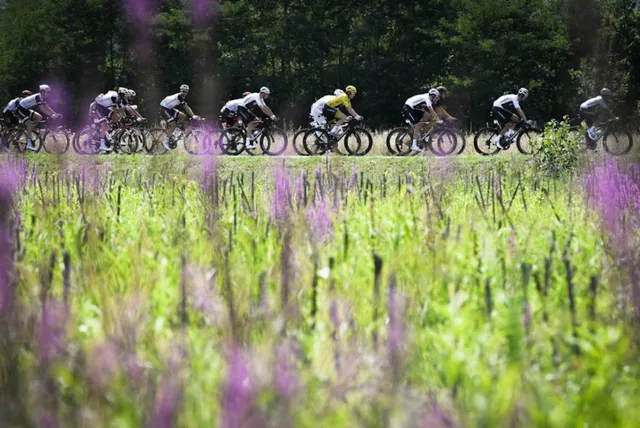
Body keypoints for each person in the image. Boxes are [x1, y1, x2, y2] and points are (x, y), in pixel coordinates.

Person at [17, 85, 61, 151]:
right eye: (48, 92)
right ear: (42, 92)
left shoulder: (43, 98)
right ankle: (29, 143)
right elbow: (42, 108)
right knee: (29, 124)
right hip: (20, 109)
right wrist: (51, 115)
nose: (49, 94)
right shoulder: (38, 96)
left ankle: (30, 130)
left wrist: (55, 114)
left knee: (39, 117)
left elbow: (47, 107)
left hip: (26, 109)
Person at [160, 84, 200, 150]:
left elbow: (187, 107)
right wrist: (193, 116)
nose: (184, 93)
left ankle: (176, 132)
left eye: (186, 91)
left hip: (170, 108)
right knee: (173, 125)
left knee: (183, 116)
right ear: (180, 90)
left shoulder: (183, 97)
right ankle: (165, 141)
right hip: (164, 108)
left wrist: (193, 115)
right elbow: (186, 107)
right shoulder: (179, 96)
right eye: (183, 91)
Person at [92, 87, 130, 153]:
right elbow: (116, 110)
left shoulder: (119, 99)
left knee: (118, 118)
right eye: (125, 96)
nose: (126, 97)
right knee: (104, 125)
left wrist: (124, 117)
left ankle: (112, 135)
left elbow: (118, 111)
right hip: (99, 107)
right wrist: (124, 109)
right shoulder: (115, 97)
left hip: (105, 107)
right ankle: (102, 144)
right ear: (122, 94)